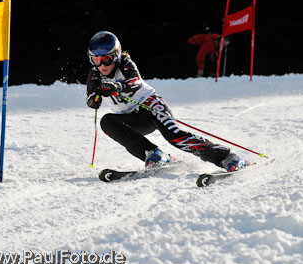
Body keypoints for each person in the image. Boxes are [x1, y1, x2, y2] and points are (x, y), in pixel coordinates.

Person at [85, 31, 249, 171]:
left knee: (175, 136)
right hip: (132, 119)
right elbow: (92, 100)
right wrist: (94, 99)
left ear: (117, 55)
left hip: (151, 106)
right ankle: (154, 154)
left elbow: (135, 82)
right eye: (96, 60)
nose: (102, 65)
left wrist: (117, 86)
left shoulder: (126, 64)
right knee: (107, 121)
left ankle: (227, 158)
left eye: (106, 58)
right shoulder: (94, 76)